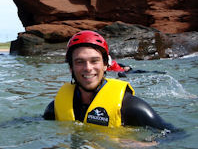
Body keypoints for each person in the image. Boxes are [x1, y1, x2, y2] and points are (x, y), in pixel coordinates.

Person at [43, 30, 175, 131]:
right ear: (71, 67)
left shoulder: (131, 107)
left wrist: (147, 143)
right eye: (79, 62)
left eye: (95, 61)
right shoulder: (53, 109)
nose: (88, 68)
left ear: (106, 64)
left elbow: (174, 135)